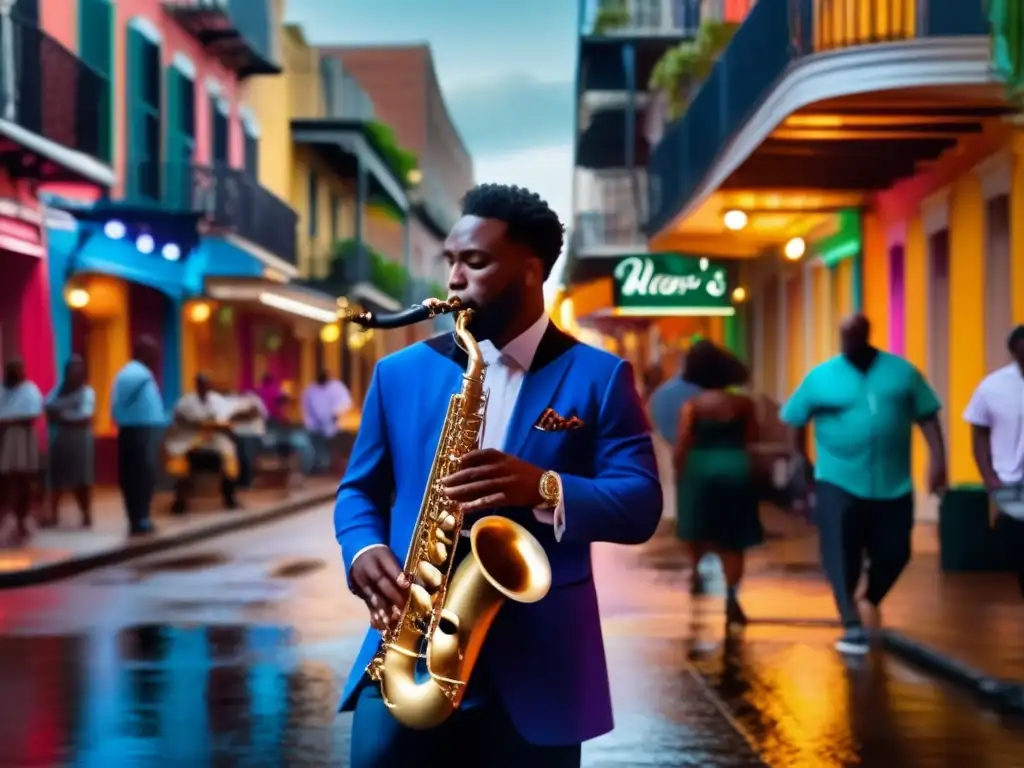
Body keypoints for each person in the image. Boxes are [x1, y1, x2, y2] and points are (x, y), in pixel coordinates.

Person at [335, 183, 662, 768]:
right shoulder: (397, 373)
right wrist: (362, 551)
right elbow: (360, 490)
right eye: (451, 262)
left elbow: (640, 503)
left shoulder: (601, 377)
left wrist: (543, 486)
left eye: (476, 262)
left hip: (542, 669)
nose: (455, 279)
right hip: (411, 651)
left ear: (531, 271)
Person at [781, 313, 947, 655]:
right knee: (841, 552)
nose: (849, 340)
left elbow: (928, 416)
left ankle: (871, 596)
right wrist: (801, 459)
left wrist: (938, 460)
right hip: (836, 479)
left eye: (855, 334)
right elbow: (796, 418)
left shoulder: (901, 373)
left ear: (867, 334)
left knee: (896, 551)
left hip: (893, 481)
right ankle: (850, 619)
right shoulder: (821, 377)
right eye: (844, 335)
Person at [673, 341, 761, 619]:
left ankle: (696, 569)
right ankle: (732, 595)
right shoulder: (743, 404)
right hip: (736, 468)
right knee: (733, 539)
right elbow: (753, 438)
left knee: (694, 527)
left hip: (700, 469)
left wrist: (678, 469)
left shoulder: (693, 406)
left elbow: (684, 442)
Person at [963, 325, 1024, 598]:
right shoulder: (992, 387)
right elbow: (979, 435)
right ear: (1013, 353)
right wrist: (990, 480)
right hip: (1009, 483)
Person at [111, 336, 165, 536]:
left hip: (141, 429)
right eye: (152, 353)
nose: (156, 357)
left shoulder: (137, 373)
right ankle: (139, 519)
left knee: (140, 476)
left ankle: (141, 517)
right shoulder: (136, 375)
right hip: (138, 431)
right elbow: (120, 406)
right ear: (142, 353)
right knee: (140, 476)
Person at [166, 373, 240, 514]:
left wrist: (218, 425)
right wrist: (195, 423)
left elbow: (229, 420)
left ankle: (230, 498)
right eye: (200, 384)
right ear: (196, 385)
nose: (204, 387)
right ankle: (179, 502)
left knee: (230, 455)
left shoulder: (217, 401)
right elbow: (177, 418)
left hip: (214, 439)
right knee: (180, 460)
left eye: (206, 384)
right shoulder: (186, 401)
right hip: (192, 439)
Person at [44, 355, 96, 528]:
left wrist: (61, 416)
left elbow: (85, 418)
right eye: (71, 370)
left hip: (80, 440)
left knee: (82, 479)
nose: (74, 374)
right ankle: (53, 515)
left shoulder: (87, 392)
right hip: (60, 439)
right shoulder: (59, 389)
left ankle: (86, 514)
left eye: (78, 370)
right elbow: (47, 406)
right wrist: (62, 416)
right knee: (56, 479)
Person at [0, 360, 43, 542]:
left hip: (22, 438)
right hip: (3, 438)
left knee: (23, 478)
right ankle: (6, 518)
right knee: (5, 480)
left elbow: (32, 414)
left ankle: (22, 520)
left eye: (15, 370)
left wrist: (8, 421)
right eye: (9, 370)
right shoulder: (2, 390)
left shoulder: (30, 389)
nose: (12, 373)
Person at [301, 370, 352, 474]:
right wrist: (310, 422)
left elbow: (346, 403)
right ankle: (320, 467)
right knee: (318, 449)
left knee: (331, 448)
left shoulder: (336, 387)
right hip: (315, 427)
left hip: (334, 426)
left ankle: (328, 467)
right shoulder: (311, 390)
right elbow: (307, 407)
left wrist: (336, 414)